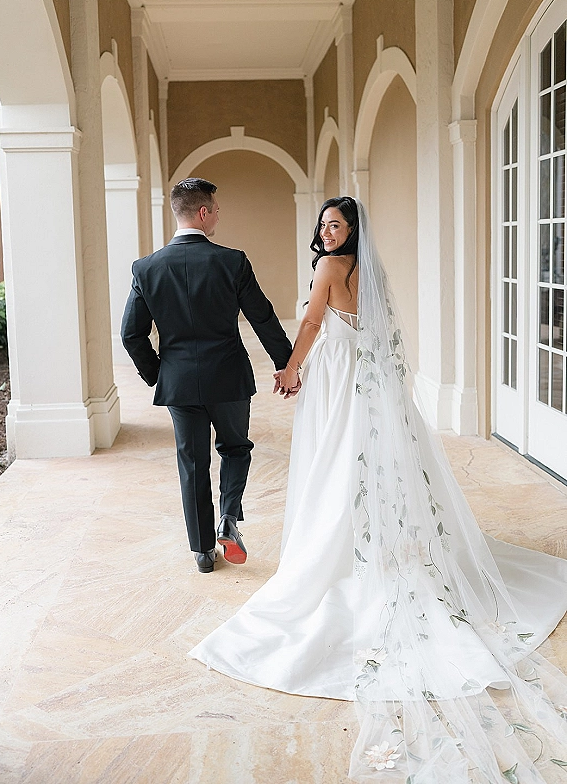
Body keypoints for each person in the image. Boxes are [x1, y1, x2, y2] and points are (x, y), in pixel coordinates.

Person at [190, 196, 567, 782]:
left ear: (352, 230)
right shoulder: (370, 267)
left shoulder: (329, 268)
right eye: (322, 225)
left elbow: (314, 322)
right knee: (366, 467)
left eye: (335, 224)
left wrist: (290, 369)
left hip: (339, 383)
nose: (326, 231)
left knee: (336, 464)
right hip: (368, 384)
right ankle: (375, 539)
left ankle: (341, 549)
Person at [121, 178, 297, 574]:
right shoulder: (232, 260)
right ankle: (229, 518)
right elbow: (262, 317)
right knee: (235, 448)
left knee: (192, 461)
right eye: (216, 209)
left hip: (179, 381)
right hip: (229, 376)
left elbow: (131, 334)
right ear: (203, 213)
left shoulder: (146, 268)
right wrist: (285, 364)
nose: (218, 214)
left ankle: (203, 551)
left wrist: (159, 374)